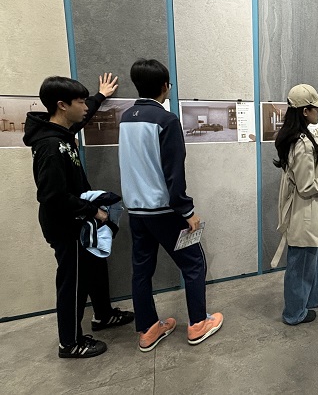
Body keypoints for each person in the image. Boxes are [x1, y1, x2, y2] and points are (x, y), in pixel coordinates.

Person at [23, 74, 134, 359]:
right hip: (65, 225)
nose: (85, 107)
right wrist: (92, 210)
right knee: (72, 281)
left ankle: (103, 315)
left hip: (78, 220)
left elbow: (81, 120)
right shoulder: (50, 146)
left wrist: (100, 96)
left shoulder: (62, 132)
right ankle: (70, 343)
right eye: (80, 102)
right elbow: (52, 196)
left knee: (95, 266)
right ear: (62, 105)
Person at [118, 58, 223, 352]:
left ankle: (149, 329)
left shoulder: (126, 118)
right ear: (165, 86)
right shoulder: (166, 120)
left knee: (141, 271)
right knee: (194, 264)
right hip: (164, 210)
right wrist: (187, 211)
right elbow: (174, 172)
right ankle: (198, 324)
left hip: (136, 210)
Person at [274, 84, 318, 325]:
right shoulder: (302, 145)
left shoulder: (296, 135)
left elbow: (314, 136)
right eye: (316, 109)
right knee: (302, 263)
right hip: (303, 212)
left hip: (306, 211)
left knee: (315, 254)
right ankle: (294, 313)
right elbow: (306, 187)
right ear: (305, 111)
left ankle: (317, 295)